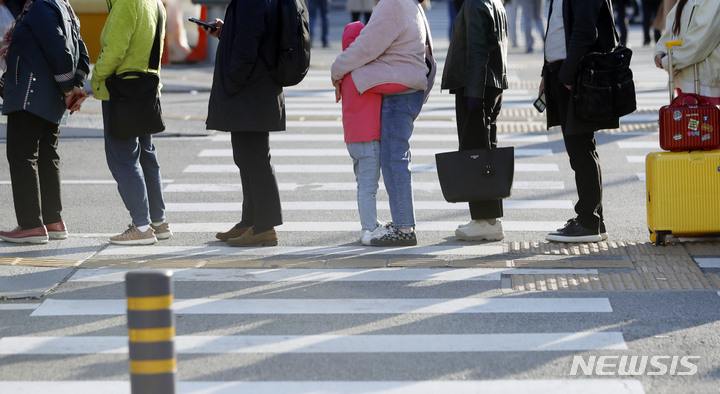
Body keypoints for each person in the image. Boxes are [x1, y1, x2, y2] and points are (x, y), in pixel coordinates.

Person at [331, 0, 432, 247]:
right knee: (396, 158)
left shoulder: (394, 2)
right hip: (407, 89)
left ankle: (404, 228)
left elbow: (365, 46)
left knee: (394, 160)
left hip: (401, 93)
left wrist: (337, 69)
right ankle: (402, 222)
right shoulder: (409, 3)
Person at [0, 0, 89, 244]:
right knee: (48, 154)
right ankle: (53, 221)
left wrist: (69, 86)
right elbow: (82, 51)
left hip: (30, 92)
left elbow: (57, 46)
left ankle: (31, 225)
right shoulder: (64, 6)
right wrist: (74, 85)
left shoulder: (40, 6)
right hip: (51, 96)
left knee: (22, 154)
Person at [200, 0, 283, 247]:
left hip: (251, 90)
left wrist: (232, 82)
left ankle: (265, 227)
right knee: (246, 157)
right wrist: (226, 31)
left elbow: (248, 47)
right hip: (253, 89)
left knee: (254, 159)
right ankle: (250, 221)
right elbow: (252, 34)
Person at [91, 0, 172, 245]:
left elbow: (114, 50)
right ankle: (158, 222)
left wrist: (95, 78)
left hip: (123, 91)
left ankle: (141, 227)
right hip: (147, 90)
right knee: (147, 156)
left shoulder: (127, 3)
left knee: (123, 158)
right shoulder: (156, 3)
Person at [541, 0, 618, 243]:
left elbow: (585, 31)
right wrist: (546, 72)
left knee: (580, 148)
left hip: (573, 76)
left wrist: (566, 73)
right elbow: (557, 28)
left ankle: (588, 220)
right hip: (562, 73)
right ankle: (595, 218)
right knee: (582, 147)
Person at [441, 0, 508, 241]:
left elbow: (478, 51)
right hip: (491, 85)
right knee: (486, 153)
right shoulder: (494, 2)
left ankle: (484, 220)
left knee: (476, 153)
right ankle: (489, 218)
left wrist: (474, 95)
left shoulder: (474, 4)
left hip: (476, 88)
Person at [336, 21, 407, 245]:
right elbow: (390, 86)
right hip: (368, 140)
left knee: (363, 185)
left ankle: (371, 223)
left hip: (353, 139)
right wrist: (412, 77)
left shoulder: (345, 74)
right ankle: (368, 229)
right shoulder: (364, 73)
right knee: (368, 188)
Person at [653, 0, 720, 104]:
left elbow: (701, 40)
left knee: (704, 118)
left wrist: (670, 61)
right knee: (688, 118)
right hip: (686, 77)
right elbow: (673, 26)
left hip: (703, 79)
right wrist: (660, 50)